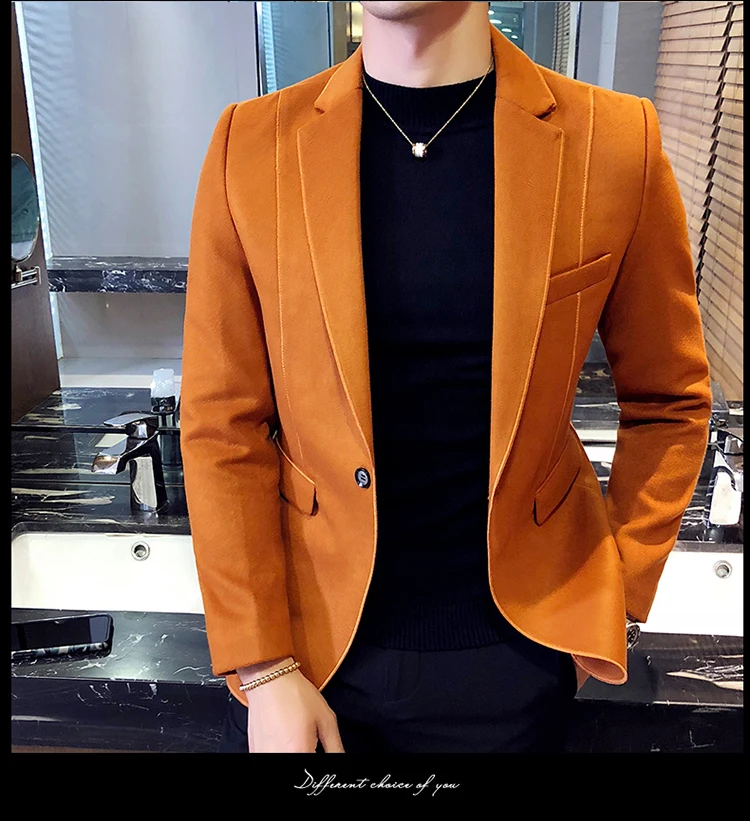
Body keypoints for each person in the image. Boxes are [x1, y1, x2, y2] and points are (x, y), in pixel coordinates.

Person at [180, 1, 712, 753]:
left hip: (528, 655)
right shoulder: (251, 145)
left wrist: (614, 597)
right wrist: (263, 665)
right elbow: (220, 422)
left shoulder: (616, 139)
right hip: (312, 661)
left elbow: (670, 401)